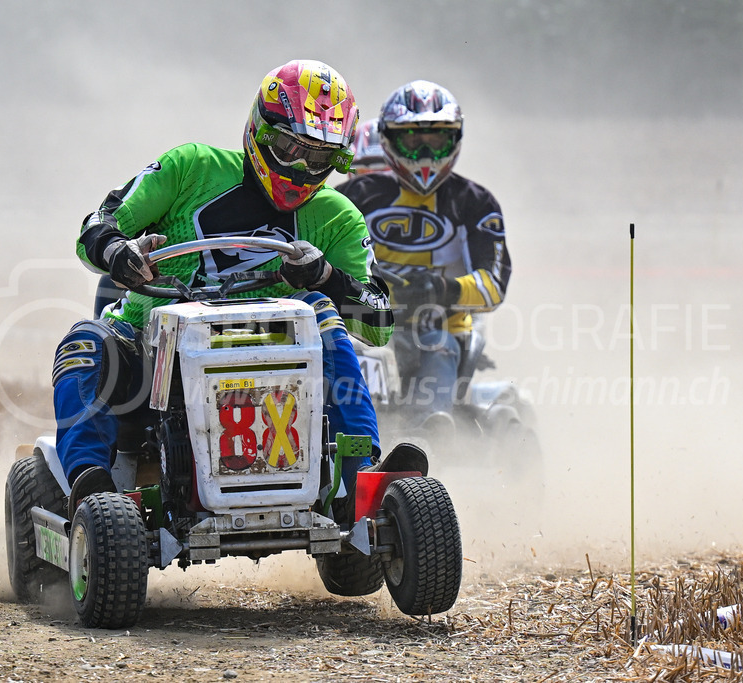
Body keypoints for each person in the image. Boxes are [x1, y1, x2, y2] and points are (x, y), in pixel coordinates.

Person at [53, 60, 420, 513]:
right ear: (262, 132)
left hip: (278, 362)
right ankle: (91, 492)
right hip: (152, 356)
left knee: (324, 317)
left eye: (320, 158)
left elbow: (379, 323)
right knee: (83, 342)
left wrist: (327, 278)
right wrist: (118, 254)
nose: (303, 168)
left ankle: (359, 484)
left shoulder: (337, 217)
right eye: (291, 148)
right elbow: (98, 224)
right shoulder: (190, 168)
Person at [336, 80, 511, 435]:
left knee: (437, 346)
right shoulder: (354, 195)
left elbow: (494, 285)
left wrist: (441, 290)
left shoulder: (476, 203)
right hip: (362, 326)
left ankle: (428, 436)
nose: (426, 155)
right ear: (388, 139)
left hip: (441, 330)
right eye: (413, 142)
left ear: (455, 139)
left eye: (437, 141)